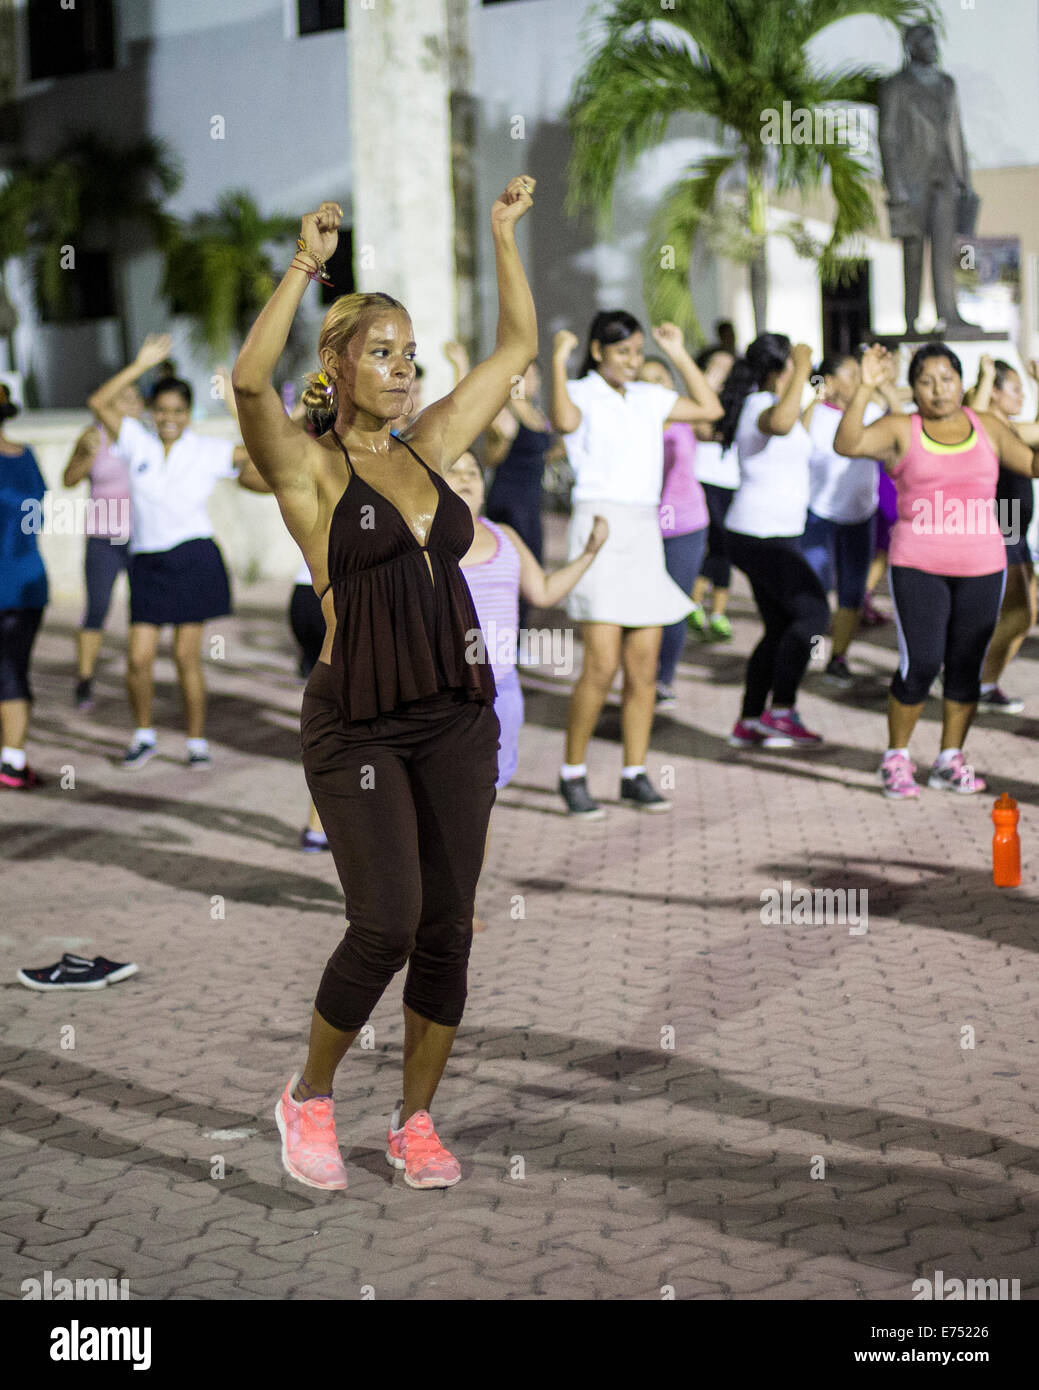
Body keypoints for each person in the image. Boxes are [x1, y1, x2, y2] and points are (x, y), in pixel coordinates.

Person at [232, 178, 538, 1193]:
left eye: (409, 352)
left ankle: (414, 1121)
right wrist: (307, 262)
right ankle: (309, 1095)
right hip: (356, 725)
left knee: (448, 926)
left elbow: (516, 353)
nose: (403, 366)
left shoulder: (431, 443)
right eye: (382, 350)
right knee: (388, 921)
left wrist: (499, 236)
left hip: (458, 716)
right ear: (341, 365)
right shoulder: (312, 470)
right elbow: (245, 382)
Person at [835, 342, 1039, 799]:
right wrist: (866, 386)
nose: (938, 389)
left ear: (962, 383)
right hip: (918, 564)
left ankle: (950, 759)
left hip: (984, 565)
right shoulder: (900, 428)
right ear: (916, 387)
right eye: (926, 380)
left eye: (947, 379)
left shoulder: (987, 425)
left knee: (966, 666)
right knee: (922, 663)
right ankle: (896, 758)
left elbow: (1031, 465)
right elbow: (847, 443)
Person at [551, 315, 722, 817]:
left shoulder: (649, 397)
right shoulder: (581, 390)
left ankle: (634, 773)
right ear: (599, 351)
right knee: (600, 665)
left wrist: (678, 352)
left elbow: (709, 407)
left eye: (637, 351)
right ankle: (572, 773)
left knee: (643, 668)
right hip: (599, 525)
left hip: (644, 528)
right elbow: (562, 422)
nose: (631, 359)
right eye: (622, 351)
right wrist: (559, 359)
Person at [88, 335, 270, 770]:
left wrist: (231, 401)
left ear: (189, 414)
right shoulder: (136, 441)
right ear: (152, 412)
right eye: (162, 410)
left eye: (178, 412)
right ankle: (144, 735)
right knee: (138, 658)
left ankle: (195, 741)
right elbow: (98, 402)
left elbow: (265, 449)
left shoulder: (208, 450)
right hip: (147, 562)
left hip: (193, 558)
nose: (169, 418)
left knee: (187, 657)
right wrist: (140, 363)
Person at [446, 451, 607, 928]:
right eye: (453, 472)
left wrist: (590, 552)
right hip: (443, 692)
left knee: (479, 804)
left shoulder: (504, 535)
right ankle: (422, 902)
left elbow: (543, 592)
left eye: (473, 473)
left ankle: (459, 905)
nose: (465, 480)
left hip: (500, 692)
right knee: (433, 801)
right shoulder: (421, 542)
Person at [719, 334, 830, 748]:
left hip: (770, 533)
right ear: (777, 371)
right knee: (814, 615)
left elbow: (791, 431)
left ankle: (749, 720)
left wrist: (814, 397)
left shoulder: (770, 407)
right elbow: (780, 423)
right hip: (760, 535)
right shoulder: (757, 407)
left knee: (779, 627)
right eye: (793, 368)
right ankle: (781, 711)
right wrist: (803, 363)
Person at [800, 351, 895, 686]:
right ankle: (810, 653)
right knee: (814, 592)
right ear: (830, 382)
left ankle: (838, 658)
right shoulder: (813, 415)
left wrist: (881, 386)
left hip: (861, 516)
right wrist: (813, 400)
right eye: (852, 375)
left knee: (852, 594)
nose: (859, 380)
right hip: (818, 517)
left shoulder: (872, 411)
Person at [445, 341, 553, 632]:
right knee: (511, 568)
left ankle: (517, 641)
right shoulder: (505, 412)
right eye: (521, 375)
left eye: (532, 374)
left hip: (532, 503)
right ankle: (506, 640)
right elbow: (467, 413)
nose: (528, 380)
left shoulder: (537, 415)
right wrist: (461, 366)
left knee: (533, 567)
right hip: (509, 501)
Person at [965, 356, 1039, 713]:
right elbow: (976, 419)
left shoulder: (1007, 425)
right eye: (1014, 389)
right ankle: (972, 680)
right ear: (992, 393)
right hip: (1003, 522)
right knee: (1020, 613)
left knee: (1023, 614)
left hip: (1015, 525)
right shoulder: (983, 423)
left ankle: (984, 682)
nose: (1021, 396)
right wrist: (987, 376)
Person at [62, 383, 142, 711]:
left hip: (143, 539)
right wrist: (85, 453)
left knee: (144, 612)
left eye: (135, 399)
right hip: (103, 538)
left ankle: (140, 675)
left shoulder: (147, 439)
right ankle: (84, 679)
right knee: (97, 609)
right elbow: (68, 479)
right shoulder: (93, 436)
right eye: (123, 398)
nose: (130, 405)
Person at [637, 356, 709, 709]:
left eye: (661, 378)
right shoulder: (633, 422)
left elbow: (712, 413)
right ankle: (640, 677)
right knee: (644, 607)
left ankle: (664, 678)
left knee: (676, 604)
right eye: (645, 380)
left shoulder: (686, 419)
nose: (654, 385)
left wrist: (682, 359)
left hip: (686, 525)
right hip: (644, 526)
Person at [0, 383, 47, 789]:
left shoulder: (24, 457)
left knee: (10, 670)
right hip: (25, 582)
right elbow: (36, 519)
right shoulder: (26, 457)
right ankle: (12, 761)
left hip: (19, 586)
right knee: (13, 669)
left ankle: (12, 762)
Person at [689, 345, 738, 639]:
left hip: (731, 480)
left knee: (724, 548)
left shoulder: (740, 399)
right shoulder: (697, 398)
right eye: (717, 367)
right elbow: (699, 429)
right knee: (717, 544)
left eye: (728, 368)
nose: (724, 373)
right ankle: (700, 606)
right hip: (703, 477)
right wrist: (708, 382)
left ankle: (712, 611)